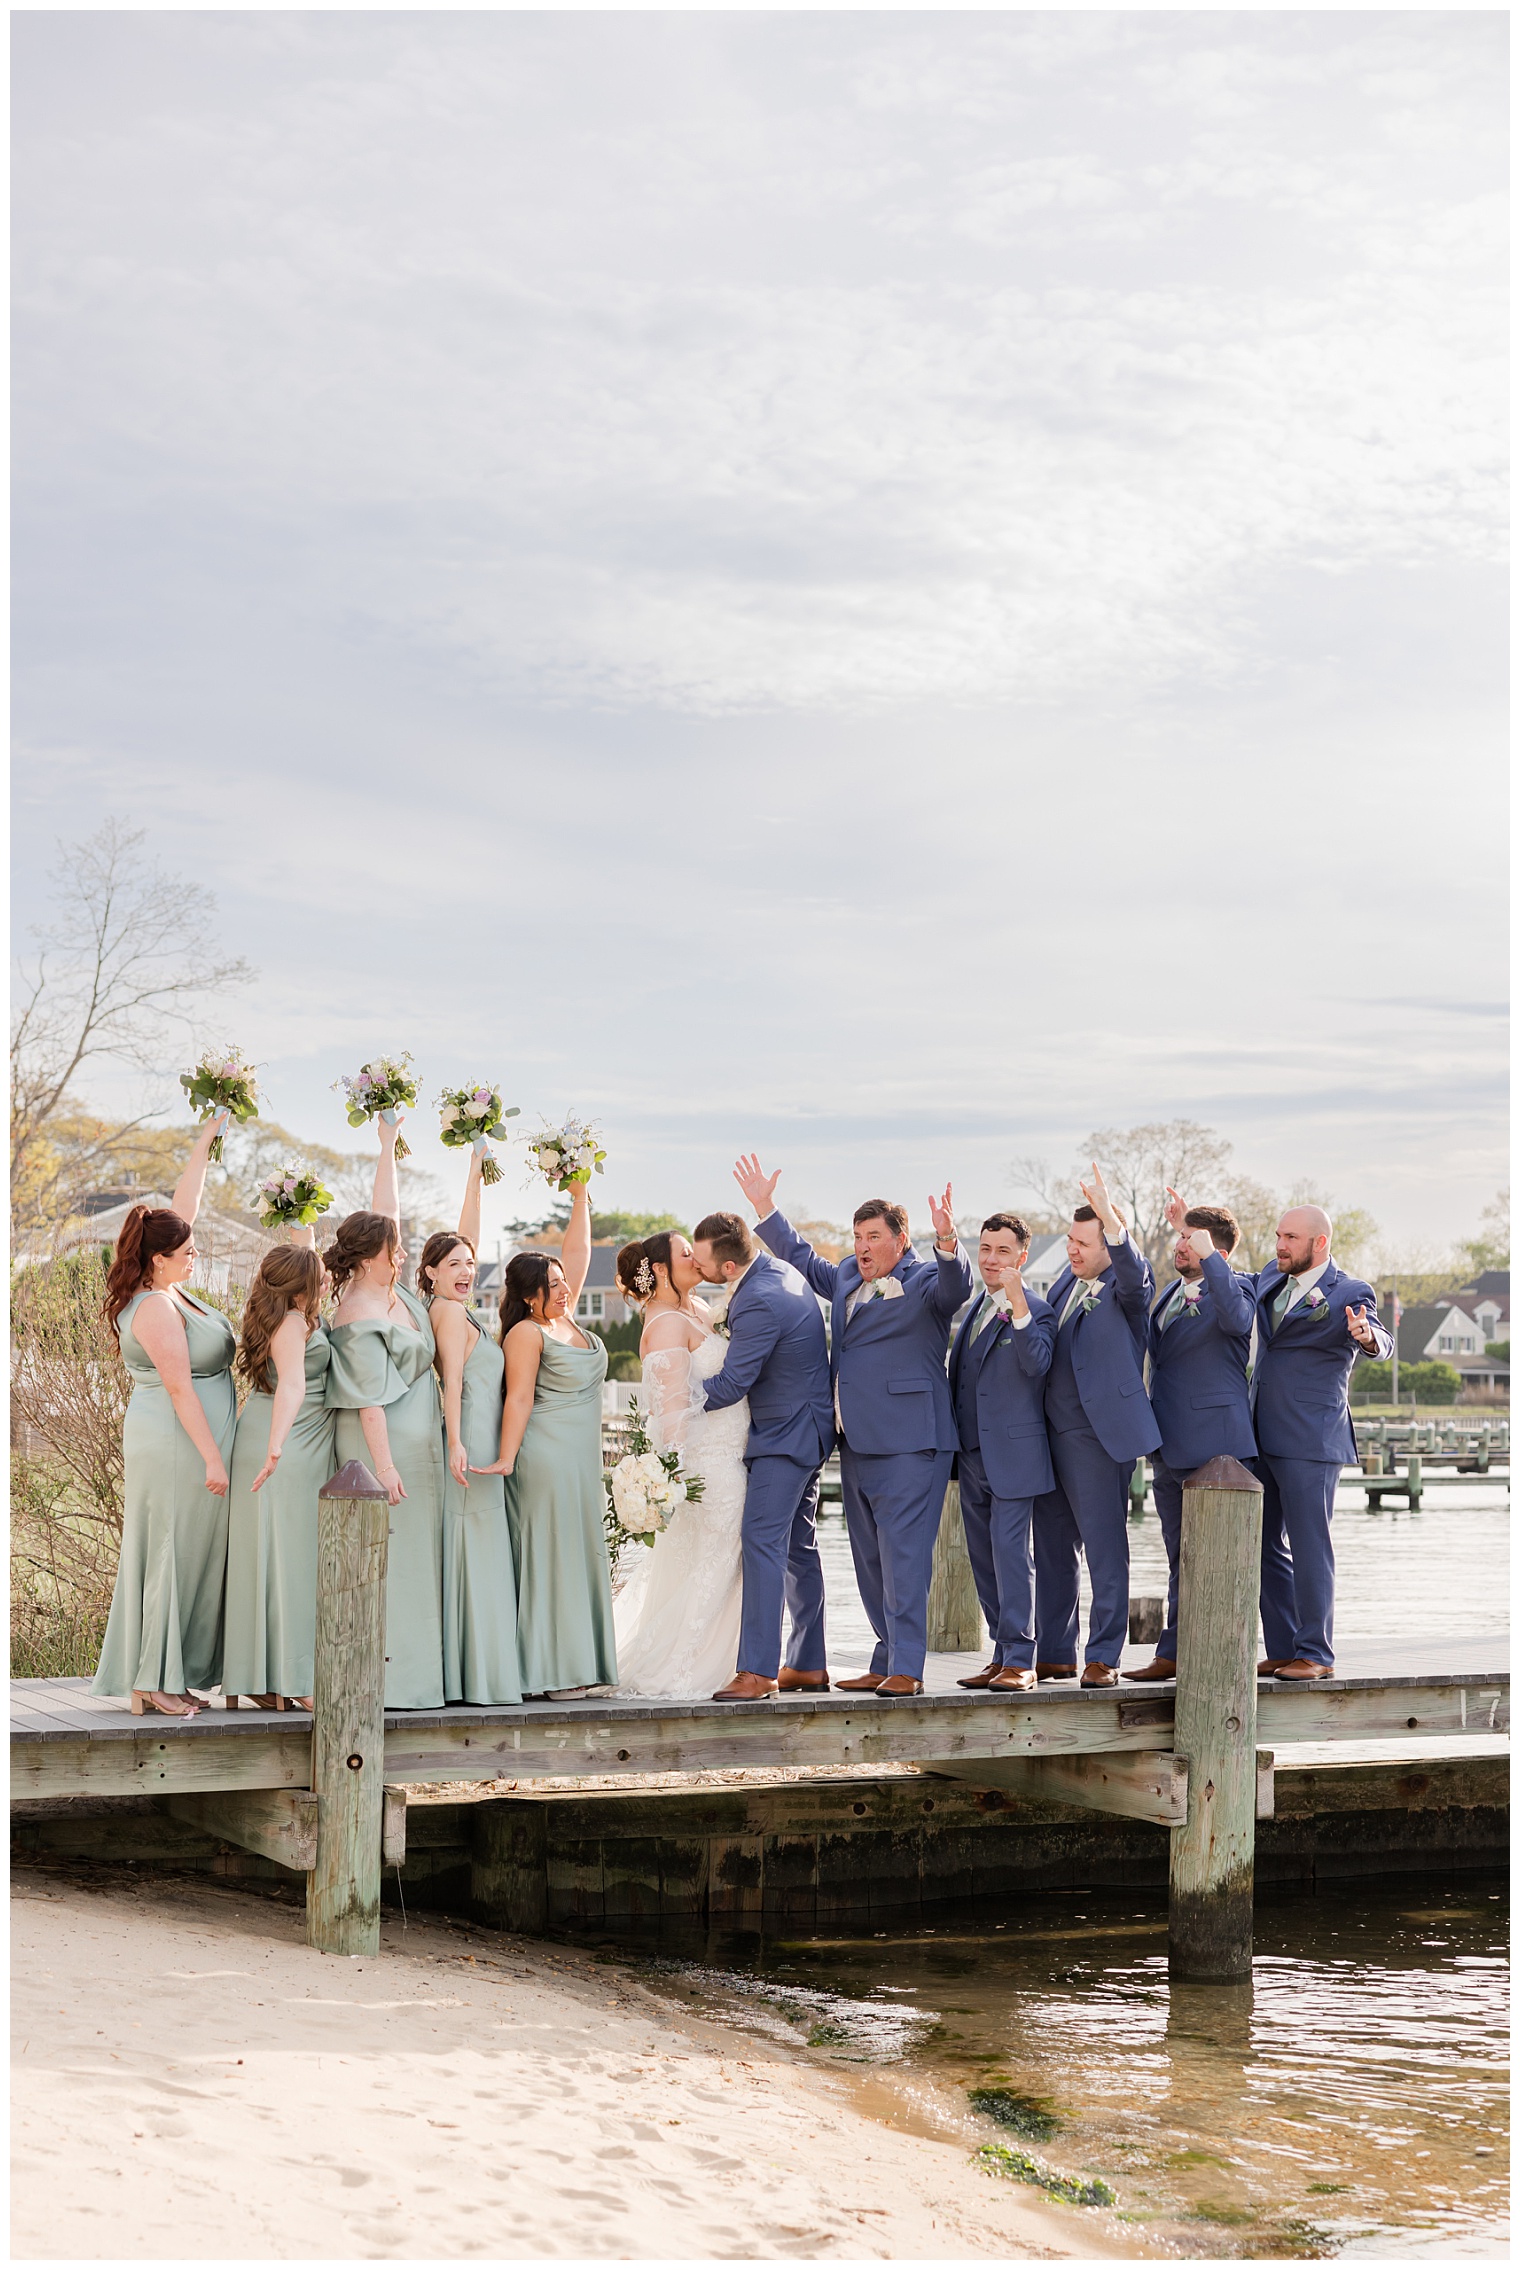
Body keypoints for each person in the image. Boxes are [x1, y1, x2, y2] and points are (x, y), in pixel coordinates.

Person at [735, 1154, 973, 1699]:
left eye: (872, 1236)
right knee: (869, 1559)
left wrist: (948, 1239)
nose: (862, 1246)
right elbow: (799, 1256)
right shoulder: (845, 1274)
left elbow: (956, 1290)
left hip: (913, 1442)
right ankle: (886, 1655)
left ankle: (908, 1670)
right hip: (857, 1442)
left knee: (905, 1558)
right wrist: (765, 1208)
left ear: (899, 1239)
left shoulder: (928, 1277)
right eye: (857, 1236)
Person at [1166, 1195, 1392, 1681]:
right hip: (1258, 1433)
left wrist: (1367, 1337)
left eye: (1291, 1238)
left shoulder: (1348, 1290)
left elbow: (1379, 1339)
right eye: (1278, 1236)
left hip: (1312, 1439)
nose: (1281, 1245)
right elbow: (1226, 1282)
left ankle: (1317, 1654)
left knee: (1312, 1546)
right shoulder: (1270, 1275)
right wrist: (1190, 1233)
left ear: (1320, 1242)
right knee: (1263, 1544)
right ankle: (1286, 1645)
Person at [92, 1111, 237, 1718]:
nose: (194, 1258)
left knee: (186, 1550)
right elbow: (181, 1390)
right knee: (172, 1550)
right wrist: (211, 1455)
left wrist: (204, 1141)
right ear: (156, 1260)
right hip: (177, 1440)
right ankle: (155, 1680)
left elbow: (183, 1211)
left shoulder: (172, 1285)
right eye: (185, 1253)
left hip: (189, 1436)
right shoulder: (153, 1307)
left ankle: (158, 1675)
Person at [472, 1178, 615, 1700]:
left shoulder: (567, 1319)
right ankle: (550, 1673)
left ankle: (584, 1662)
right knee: (550, 1557)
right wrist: (507, 1457)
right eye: (552, 1283)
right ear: (529, 1294)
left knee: (578, 1554)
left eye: (562, 1280)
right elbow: (519, 1399)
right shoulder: (526, 1332)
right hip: (544, 1458)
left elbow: (577, 1251)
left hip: (579, 1461)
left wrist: (580, 1197)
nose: (563, 1288)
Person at [324, 1113, 446, 1709]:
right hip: (382, 1449)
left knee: (415, 1560)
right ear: (371, 1257)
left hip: (418, 1445)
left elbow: (386, 1213)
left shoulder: (391, 1291)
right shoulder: (356, 1312)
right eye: (393, 1251)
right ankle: (389, 1685)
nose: (401, 1256)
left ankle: (421, 1678)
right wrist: (386, 1466)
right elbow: (368, 1398)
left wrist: (387, 1144)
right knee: (384, 1560)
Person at [690, 1209, 835, 1702]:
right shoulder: (778, 1271)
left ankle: (757, 1671)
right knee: (797, 1546)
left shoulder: (758, 1301)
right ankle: (809, 1663)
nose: (697, 1266)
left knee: (761, 1540)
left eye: (703, 1262)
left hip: (786, 1436)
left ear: (729, 1268)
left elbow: (731, 1385)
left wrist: (672, 1396)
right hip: (808, 1429)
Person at [1033, 1163, 1160, 1687]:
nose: (1073, 1250)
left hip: (1099, 1438)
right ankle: (1057, 1652)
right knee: (1053, 1551)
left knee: (1105, 1550)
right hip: (1049, 1438)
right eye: (1070, 1240)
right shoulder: (1066, 1279)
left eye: (1084, 1243)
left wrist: (1110, 1216)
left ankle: (1103, 1655)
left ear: (1108, 1243)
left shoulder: (1128, 1287)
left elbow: (1136, 1273)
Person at [610, 1229, 750, 1698]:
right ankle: (686, 1669)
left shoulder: (702, 1311)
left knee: (720, 1564)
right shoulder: (666, 1322)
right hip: (705, 1467)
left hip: (731, 1450)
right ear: (664, 1270)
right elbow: (671, 1411)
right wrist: (670, 1478)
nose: (698, 1257)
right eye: (687, 1253)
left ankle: (730, 1663)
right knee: (713, 1562)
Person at [1125, 1200, 1257, 1683]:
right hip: (1168, 1445)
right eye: (1180, 1237)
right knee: (1180, 1556)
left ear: (1217, 1250)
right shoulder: (1169, 1295)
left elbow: (1237, 1322)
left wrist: (1215, 1262)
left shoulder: (1237, 1287)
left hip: (1217, 1448)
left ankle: (1220, 1655)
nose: (1180, 1245)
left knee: (1219, 1560)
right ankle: (1174, 1652)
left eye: (1191, 1240)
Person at [416, 1143, 522, 1707]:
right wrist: (456, 1441)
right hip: (471, 1440)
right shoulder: (450, 1312)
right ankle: (475, 1678)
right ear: (430, 1271)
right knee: (472, 1549)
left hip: (476, 1435)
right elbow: (451, 1382)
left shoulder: (451, 1305)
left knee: (477, 1548)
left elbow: (466, 1235)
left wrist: (475, 1173)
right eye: (453, 1264)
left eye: (469, 1264)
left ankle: (475, 1674)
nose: (465, 1270)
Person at [222, 1235, 334, 1710]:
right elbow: (292, 1384)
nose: (328, 1279)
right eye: (319, 1276)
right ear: (301, 1287)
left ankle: (263, 1675)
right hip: (283, 1443)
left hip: (280, 1438)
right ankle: (294, 1679)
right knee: (286, 1558)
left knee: (271, 1556)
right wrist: (276, 1446)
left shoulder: (288, 1315)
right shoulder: (291, 1323)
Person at [946, 1213, 1055, 1695]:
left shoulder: (1036, 1309)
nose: (991, 1259)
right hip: (971, 1455)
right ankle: (998, 1652)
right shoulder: (974, 1308)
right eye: (985, 1249)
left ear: (1021, 1257)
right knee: (982, 1558)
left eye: (1002, 1251)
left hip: (1015, 1455)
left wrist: (1018, 1305)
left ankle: (1020, 1657)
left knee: (1012, 1554)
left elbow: (1038, 1364)